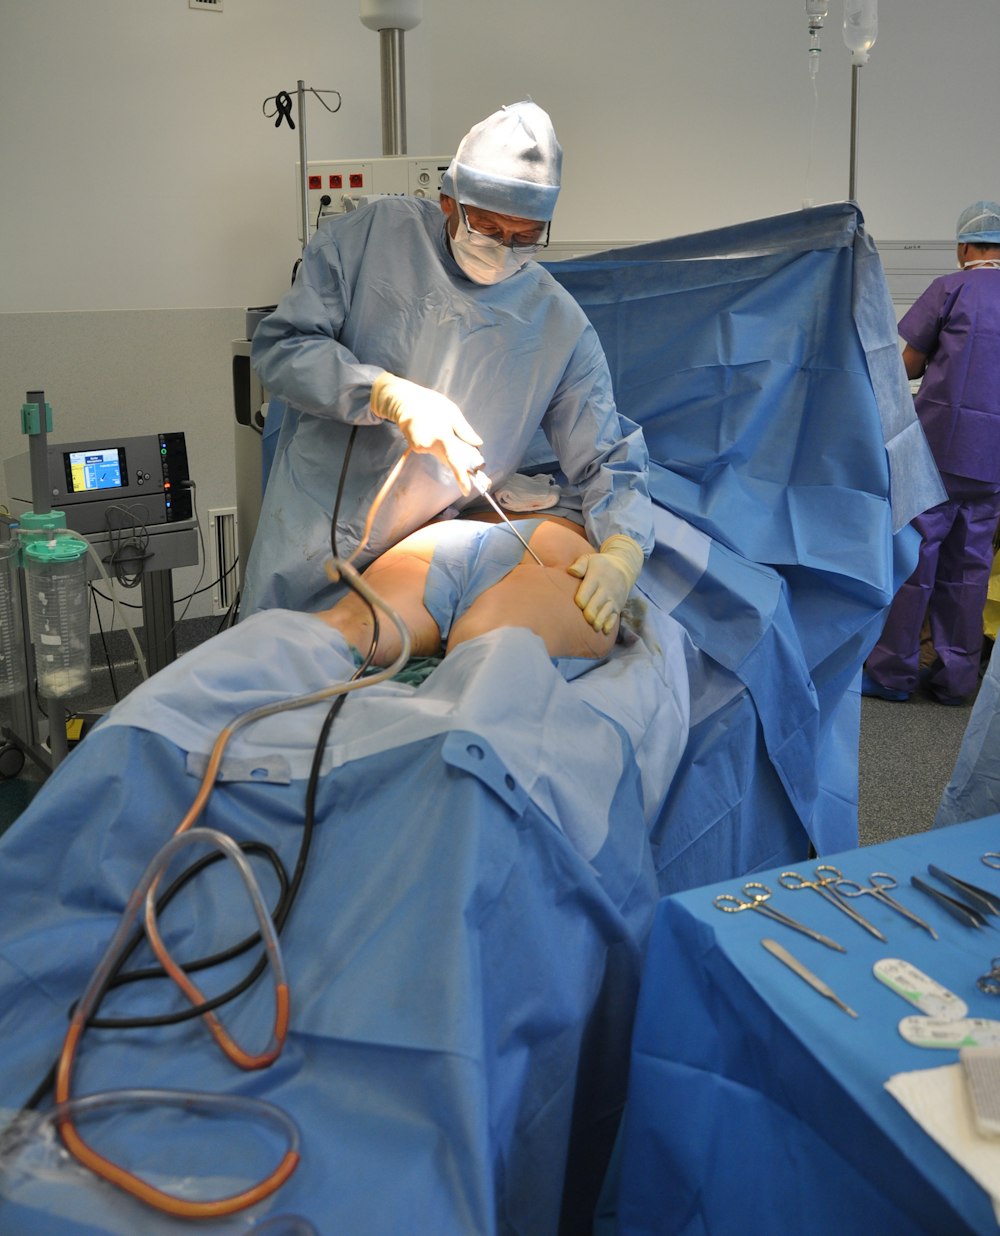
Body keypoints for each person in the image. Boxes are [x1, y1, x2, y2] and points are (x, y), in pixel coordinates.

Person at [243, 100, 652, 637]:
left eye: (524, 236)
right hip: (312, 531)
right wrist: (385, 393)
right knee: (272, 662)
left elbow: (607, 457)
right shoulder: (371, 238)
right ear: (447, 202)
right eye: (486, 226)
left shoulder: (558, 325)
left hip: (424, 554)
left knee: (380, 661)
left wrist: (622, 552)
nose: (503, 247)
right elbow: (282, 348)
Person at [863, 201, 1000, 705]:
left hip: (937, 452)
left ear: (964, 246)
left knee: (916, 561)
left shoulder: (949, 288)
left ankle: (892, 674)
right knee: (970, 568)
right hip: (993, 463)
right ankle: (956, 680)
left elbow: (907, 366)